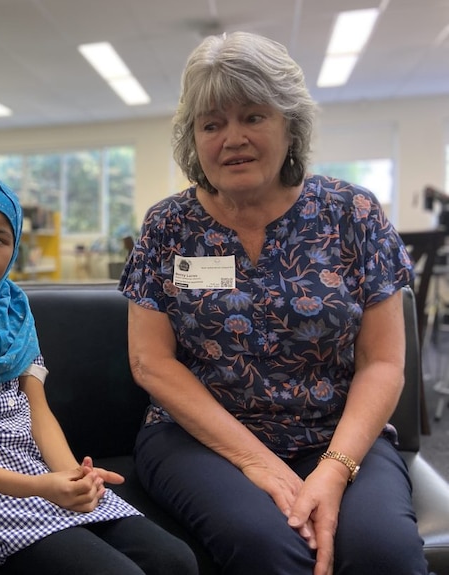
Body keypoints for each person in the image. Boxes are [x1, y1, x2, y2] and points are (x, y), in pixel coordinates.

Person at [120, 32, 431, 575]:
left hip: (335, 432)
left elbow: (383, 363)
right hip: (199, 437)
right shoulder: (169, 225)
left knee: (385, 554)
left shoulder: (351, 212)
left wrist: (333, 471)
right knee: (271, 547)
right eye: (211, 124)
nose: (231, 138)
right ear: (194, 139)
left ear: (291, 125)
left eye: (253, 116)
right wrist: (257, 462)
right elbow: (152, 362)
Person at [0, 175, 198, 575]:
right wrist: (43, 488)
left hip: (36, 472)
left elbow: (37, 409)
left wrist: (73, 477)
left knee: (176, 561)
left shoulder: (13, 308)